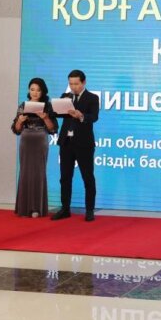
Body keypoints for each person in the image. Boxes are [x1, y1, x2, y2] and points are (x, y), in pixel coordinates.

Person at [51, 70, 100, 222]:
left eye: (76, 84)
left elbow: (94, 117)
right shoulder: (65, 97)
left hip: (84, 144)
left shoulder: (92, 98)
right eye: (71, 84)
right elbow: (57, 114)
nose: (73, 87)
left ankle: (89, 210)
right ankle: (65, 208)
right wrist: (54, 109)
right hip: (66, 143)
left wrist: (81, 116)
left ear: (84, 82)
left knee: (88, 177)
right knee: (65, 178)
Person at [11, 78, 58, 218]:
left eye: (38, 90)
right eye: (32, 89)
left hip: (40, 140)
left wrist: (45, 118)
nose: (35, 92)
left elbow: (53, 129)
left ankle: (37, 208)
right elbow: (16, 129)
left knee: (38, 173)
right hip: (26, 140)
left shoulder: (47, 107)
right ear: (29, 91)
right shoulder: (23, 105)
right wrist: (20, 121)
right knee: (25, 172)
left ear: (42, 92)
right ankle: (24, 207)